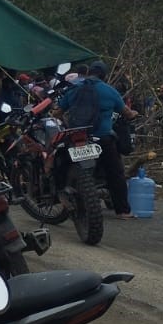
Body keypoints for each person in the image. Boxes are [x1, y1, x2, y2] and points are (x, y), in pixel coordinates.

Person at [60, 60, 130, 217]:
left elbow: (58, 111)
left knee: (63, 165)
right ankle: (123, 211)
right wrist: (134, 115)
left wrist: (68, 125)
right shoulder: (110, 91)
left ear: (88, 72)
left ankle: (64, 198)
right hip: (103, 138)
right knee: (116, 173)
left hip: (77, 137)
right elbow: (127, 112)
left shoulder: (74, 89)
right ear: (104, 75)